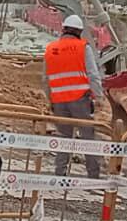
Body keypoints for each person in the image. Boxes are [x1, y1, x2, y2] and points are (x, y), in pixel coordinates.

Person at [42, 14, 104, 178]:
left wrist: (50, 100)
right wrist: (99, 97)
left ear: (63, 29)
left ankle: (60, 174)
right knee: (88, 138)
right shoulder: (83, 48)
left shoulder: (51, 49)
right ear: (80, 32)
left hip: (59, 103)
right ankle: (93, 176)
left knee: (64, 138)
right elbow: (92, 75)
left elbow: (45, 79)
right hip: (80, 101)